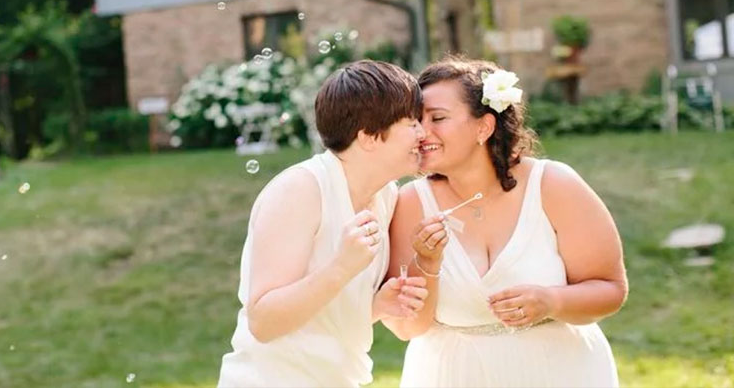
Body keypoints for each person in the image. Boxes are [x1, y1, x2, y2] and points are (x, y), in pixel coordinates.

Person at [385, 55, 627, 387]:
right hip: (452, 376)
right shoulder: (409, 204)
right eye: (416, 120)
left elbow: (610, 289)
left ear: (484, 126)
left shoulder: (554, 186)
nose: (421, 132)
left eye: (437, 118)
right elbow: (407, 327)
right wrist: (427, 263)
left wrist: (552, 301)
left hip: (559, 373)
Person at [217, 60, 432, 388]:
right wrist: (341, 268)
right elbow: (263, 321)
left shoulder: (385, 195)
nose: (423, 133)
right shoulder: (300, 191)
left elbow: (323, 318)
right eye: (411, 122)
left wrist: (375, 306)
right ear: (369, 137)